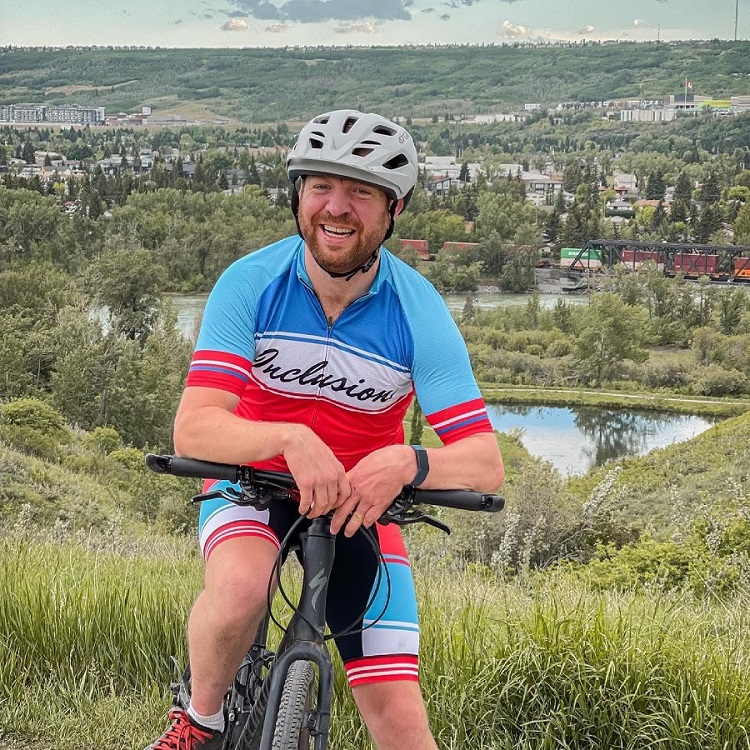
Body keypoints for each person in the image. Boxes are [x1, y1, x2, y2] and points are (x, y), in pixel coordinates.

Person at [148, 109, 504, 750]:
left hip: (357, 510)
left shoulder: (417, 311)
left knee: (399, 719)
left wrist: (407, 462)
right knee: (238, 592)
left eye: (360, 192)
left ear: (393, 209)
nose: (336, 208)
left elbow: (483, 462)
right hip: (250, 486)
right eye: (320, 186)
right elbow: (195, 428)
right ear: (297, 194)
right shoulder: (250, 283)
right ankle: (201, 720)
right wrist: (285, 438)